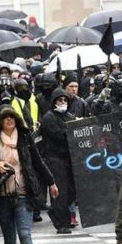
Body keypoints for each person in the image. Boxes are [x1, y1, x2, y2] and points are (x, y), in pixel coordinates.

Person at [0, 106, 58, 244]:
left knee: (24, 234)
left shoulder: (25, 137)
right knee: (9, 238)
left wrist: (51, 182)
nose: (9, 120)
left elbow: (37, 161)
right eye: (5, 117)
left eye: (12, 117)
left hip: (24, 192)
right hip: (2, 195)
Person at [40, 89, 76, 234]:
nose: (63, 102)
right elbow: (58, 136)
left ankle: (62, 216)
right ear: (54, 101)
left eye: (65, 100)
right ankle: (61, 222)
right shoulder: (49, 117)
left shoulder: (69, 116)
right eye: (60, 100)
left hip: (68, 157)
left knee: (71, 191)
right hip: (55, 158)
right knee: (60, 190)